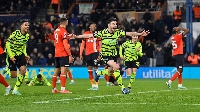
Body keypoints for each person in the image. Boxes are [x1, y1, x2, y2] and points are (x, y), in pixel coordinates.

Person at [72, 18, 149, 94]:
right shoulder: (103, 33)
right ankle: (123, 88)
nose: (115, 25)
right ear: (109, 25)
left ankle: (99, 73)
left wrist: (140, 34)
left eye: (116, 24)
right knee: (116, 67)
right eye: (113, 24)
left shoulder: (118, 32)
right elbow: (88, 35)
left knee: (110, 71)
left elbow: (129, 33)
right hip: (105, 55)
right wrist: (76, 36)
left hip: (113, 55)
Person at [5, 19, 30, 95]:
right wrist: (11, 56)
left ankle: (15, 90)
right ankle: (7, 68)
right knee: (13, 76)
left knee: (23, 70)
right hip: (12, 54)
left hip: (20, 55)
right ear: (21, 26)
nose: (27, 26)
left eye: (28, 25)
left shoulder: (27, 36)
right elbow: (7, 44)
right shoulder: (15, 34)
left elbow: (23, 45)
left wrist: (25, 54)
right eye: (25, 25)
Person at [51, 17, 73, 94]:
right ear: (66, 22)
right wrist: (69, 55)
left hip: (57, 53)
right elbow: (65, 44)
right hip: (63, 53)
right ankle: (63, 89)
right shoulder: (63, 31)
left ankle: (54, 89)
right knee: (63, 71)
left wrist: (69, 37)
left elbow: (55, 42)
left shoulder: (56, 30)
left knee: (56, 71)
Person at [80, 22, 101, 90]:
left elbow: (100, 45)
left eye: (95, 26)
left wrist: (100, 54)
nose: (94, 27)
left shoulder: (98, 34)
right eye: (92, 26)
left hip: (95, 53)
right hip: (87, 54)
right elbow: (82, 44)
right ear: (89, 27)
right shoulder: (86, 34)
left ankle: (97, 85)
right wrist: (80, 54)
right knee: (89, 69)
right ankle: (93, 85)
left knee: (96, 68)